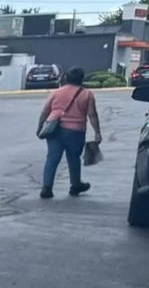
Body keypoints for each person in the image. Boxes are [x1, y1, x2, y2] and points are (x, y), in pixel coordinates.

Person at [37, 66, 101, 199]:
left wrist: (40, 127)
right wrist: (97, 132)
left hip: (55, 129)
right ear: (82, 79)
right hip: (75, 131)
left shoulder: (57, 92)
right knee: (73, 158)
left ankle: (47, 187)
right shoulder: (87, 94)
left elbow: (45, 112)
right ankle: (75, 185)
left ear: (66, 78)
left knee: (52, 158)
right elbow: (92, 115)